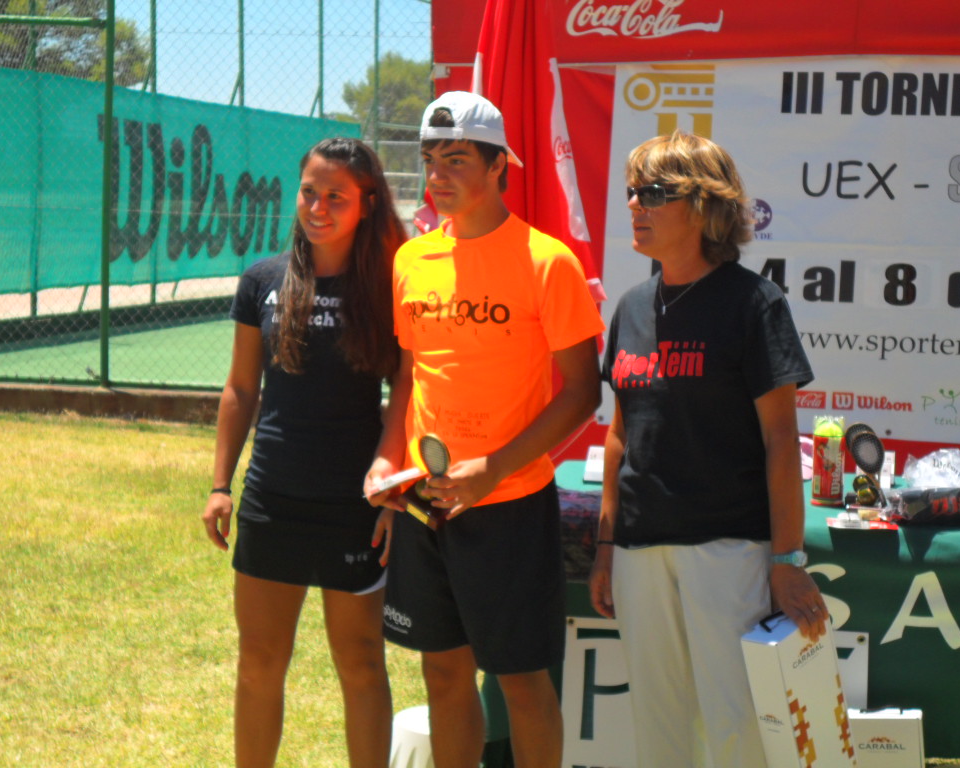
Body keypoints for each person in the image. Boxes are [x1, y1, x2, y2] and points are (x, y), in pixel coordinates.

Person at [363, 91, 604, 768]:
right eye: (430, 159)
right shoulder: (411, 260)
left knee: (522, 684)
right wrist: (386, 461)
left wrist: (493, 468)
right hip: (425, 503)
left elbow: (582, 393)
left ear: (500, 166)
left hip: (509, 504)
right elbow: (409, 376)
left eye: (457, 159)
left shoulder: (547, 261)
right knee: (443, 674)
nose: (437, 175)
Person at [588, 130, 829, 767]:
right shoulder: (631, 307)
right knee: (658, 727)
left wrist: (787, 558)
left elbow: (781, 441)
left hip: (727, 548)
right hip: (640, 549)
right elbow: (618, 436)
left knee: (736, 727)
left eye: (653, 193)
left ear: (704, 205)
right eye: (632, 191)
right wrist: (607, 546)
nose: (634, 205)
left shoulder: (754, 303)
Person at [201, 137, 406, 768]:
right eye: (309, 192)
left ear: (367, 203)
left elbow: (408, 388)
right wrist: (220, 486)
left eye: (336, 196)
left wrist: (391, 489)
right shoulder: (262, 280)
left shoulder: (391, 284)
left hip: (354, 505)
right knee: (259, 662)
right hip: (273, 498)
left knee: (361, 662)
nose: (318, 207)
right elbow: (241, 388)